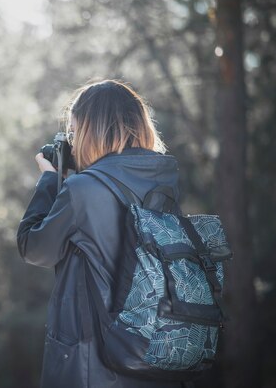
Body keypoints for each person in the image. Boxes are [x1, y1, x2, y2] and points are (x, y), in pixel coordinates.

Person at [17, 79, 186, 388]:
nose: (72, 141)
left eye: (73, 132)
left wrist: (49, 181)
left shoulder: (82, 190)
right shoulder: (163, 183)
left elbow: (34, 247)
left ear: (90, 131)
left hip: (92, 366)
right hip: (154, 358)